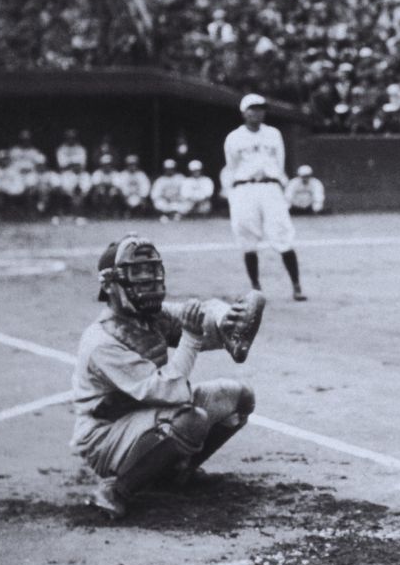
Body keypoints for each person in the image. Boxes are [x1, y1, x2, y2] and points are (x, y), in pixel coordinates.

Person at [71, 233, 266, 519]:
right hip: (105, 436)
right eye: (137, 275)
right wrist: (190, 337)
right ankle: (116, 490)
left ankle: (176, 472)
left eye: (151, 273)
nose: (148, 283)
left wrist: (226, 317)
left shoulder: (149, 316)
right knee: (191, 419)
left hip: (145, 414)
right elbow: (171, 390)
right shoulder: (102, 341)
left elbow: (200, 316)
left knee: (240, 397)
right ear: (111, 286)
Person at [224, 93, 306, 301]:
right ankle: (256, 287)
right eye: (252, 108)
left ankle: (296, 285)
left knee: (281, 232)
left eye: (261, 108)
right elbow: (232, 166)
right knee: (246, 235)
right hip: (245, 187)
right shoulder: (234, 137)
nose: (257, 112)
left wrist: (274, 178)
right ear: (244, 112)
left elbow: (279, 161)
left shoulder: (273, 134)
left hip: (270, 186)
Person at [0, 149, 27, 218]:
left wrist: (14, 191)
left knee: (22, 194)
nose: (5, 161)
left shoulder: (14, 169)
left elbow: (19, 183)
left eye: (6, 159)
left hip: (14, 192)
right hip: (1, 192)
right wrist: (5, 190)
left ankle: (16, 213)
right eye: (2, 159)